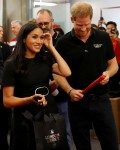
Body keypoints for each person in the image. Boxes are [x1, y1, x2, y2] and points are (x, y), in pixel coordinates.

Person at [53, 2, 119, 150]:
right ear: (72, 20)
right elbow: (56, 73)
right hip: (77, 102)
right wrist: (70, 90)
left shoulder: (103, 37)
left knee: (111, 143)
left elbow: (113, 65)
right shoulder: (62, 43)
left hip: (101, 99)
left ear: (91, 18)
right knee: (82, 144)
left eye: (87, 24)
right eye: (79, 25)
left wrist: (108, 73)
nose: (83, 29)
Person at [2, 21, 71, 150]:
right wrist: (29, 99)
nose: (39, 41)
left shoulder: (44, 58)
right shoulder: (11, 64)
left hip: (48, 114)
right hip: (25, 119)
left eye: (41, 37)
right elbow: (7, 100)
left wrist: (51, 47)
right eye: (34, 37)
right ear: (23, 39)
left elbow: (66, 72)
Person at [36, 8, 74, 149]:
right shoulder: (36, 43)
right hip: (42, 97)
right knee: (43, 134)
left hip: (62, 94)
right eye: (40, 23)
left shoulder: (62, 41)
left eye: (46, 22)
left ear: (52, 22)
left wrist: (57, 83)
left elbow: (67, 69)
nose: (44, 26)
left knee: (64, 132)